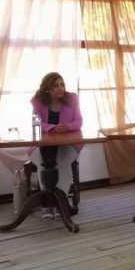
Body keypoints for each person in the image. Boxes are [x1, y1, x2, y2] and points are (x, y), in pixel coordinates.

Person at [30, 72, 83, 218]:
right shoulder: (38, 102)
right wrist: (52, 128)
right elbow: (36, 122)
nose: (60, 88)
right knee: (43, 162)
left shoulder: (72, 98)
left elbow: (79, 121)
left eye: (62, 85)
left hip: (69, 144)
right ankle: (48, 205)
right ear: (47, 89)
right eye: (55, 86)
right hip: (43, 144)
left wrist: (68, 126)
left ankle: (61, 204)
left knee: (62, 162)